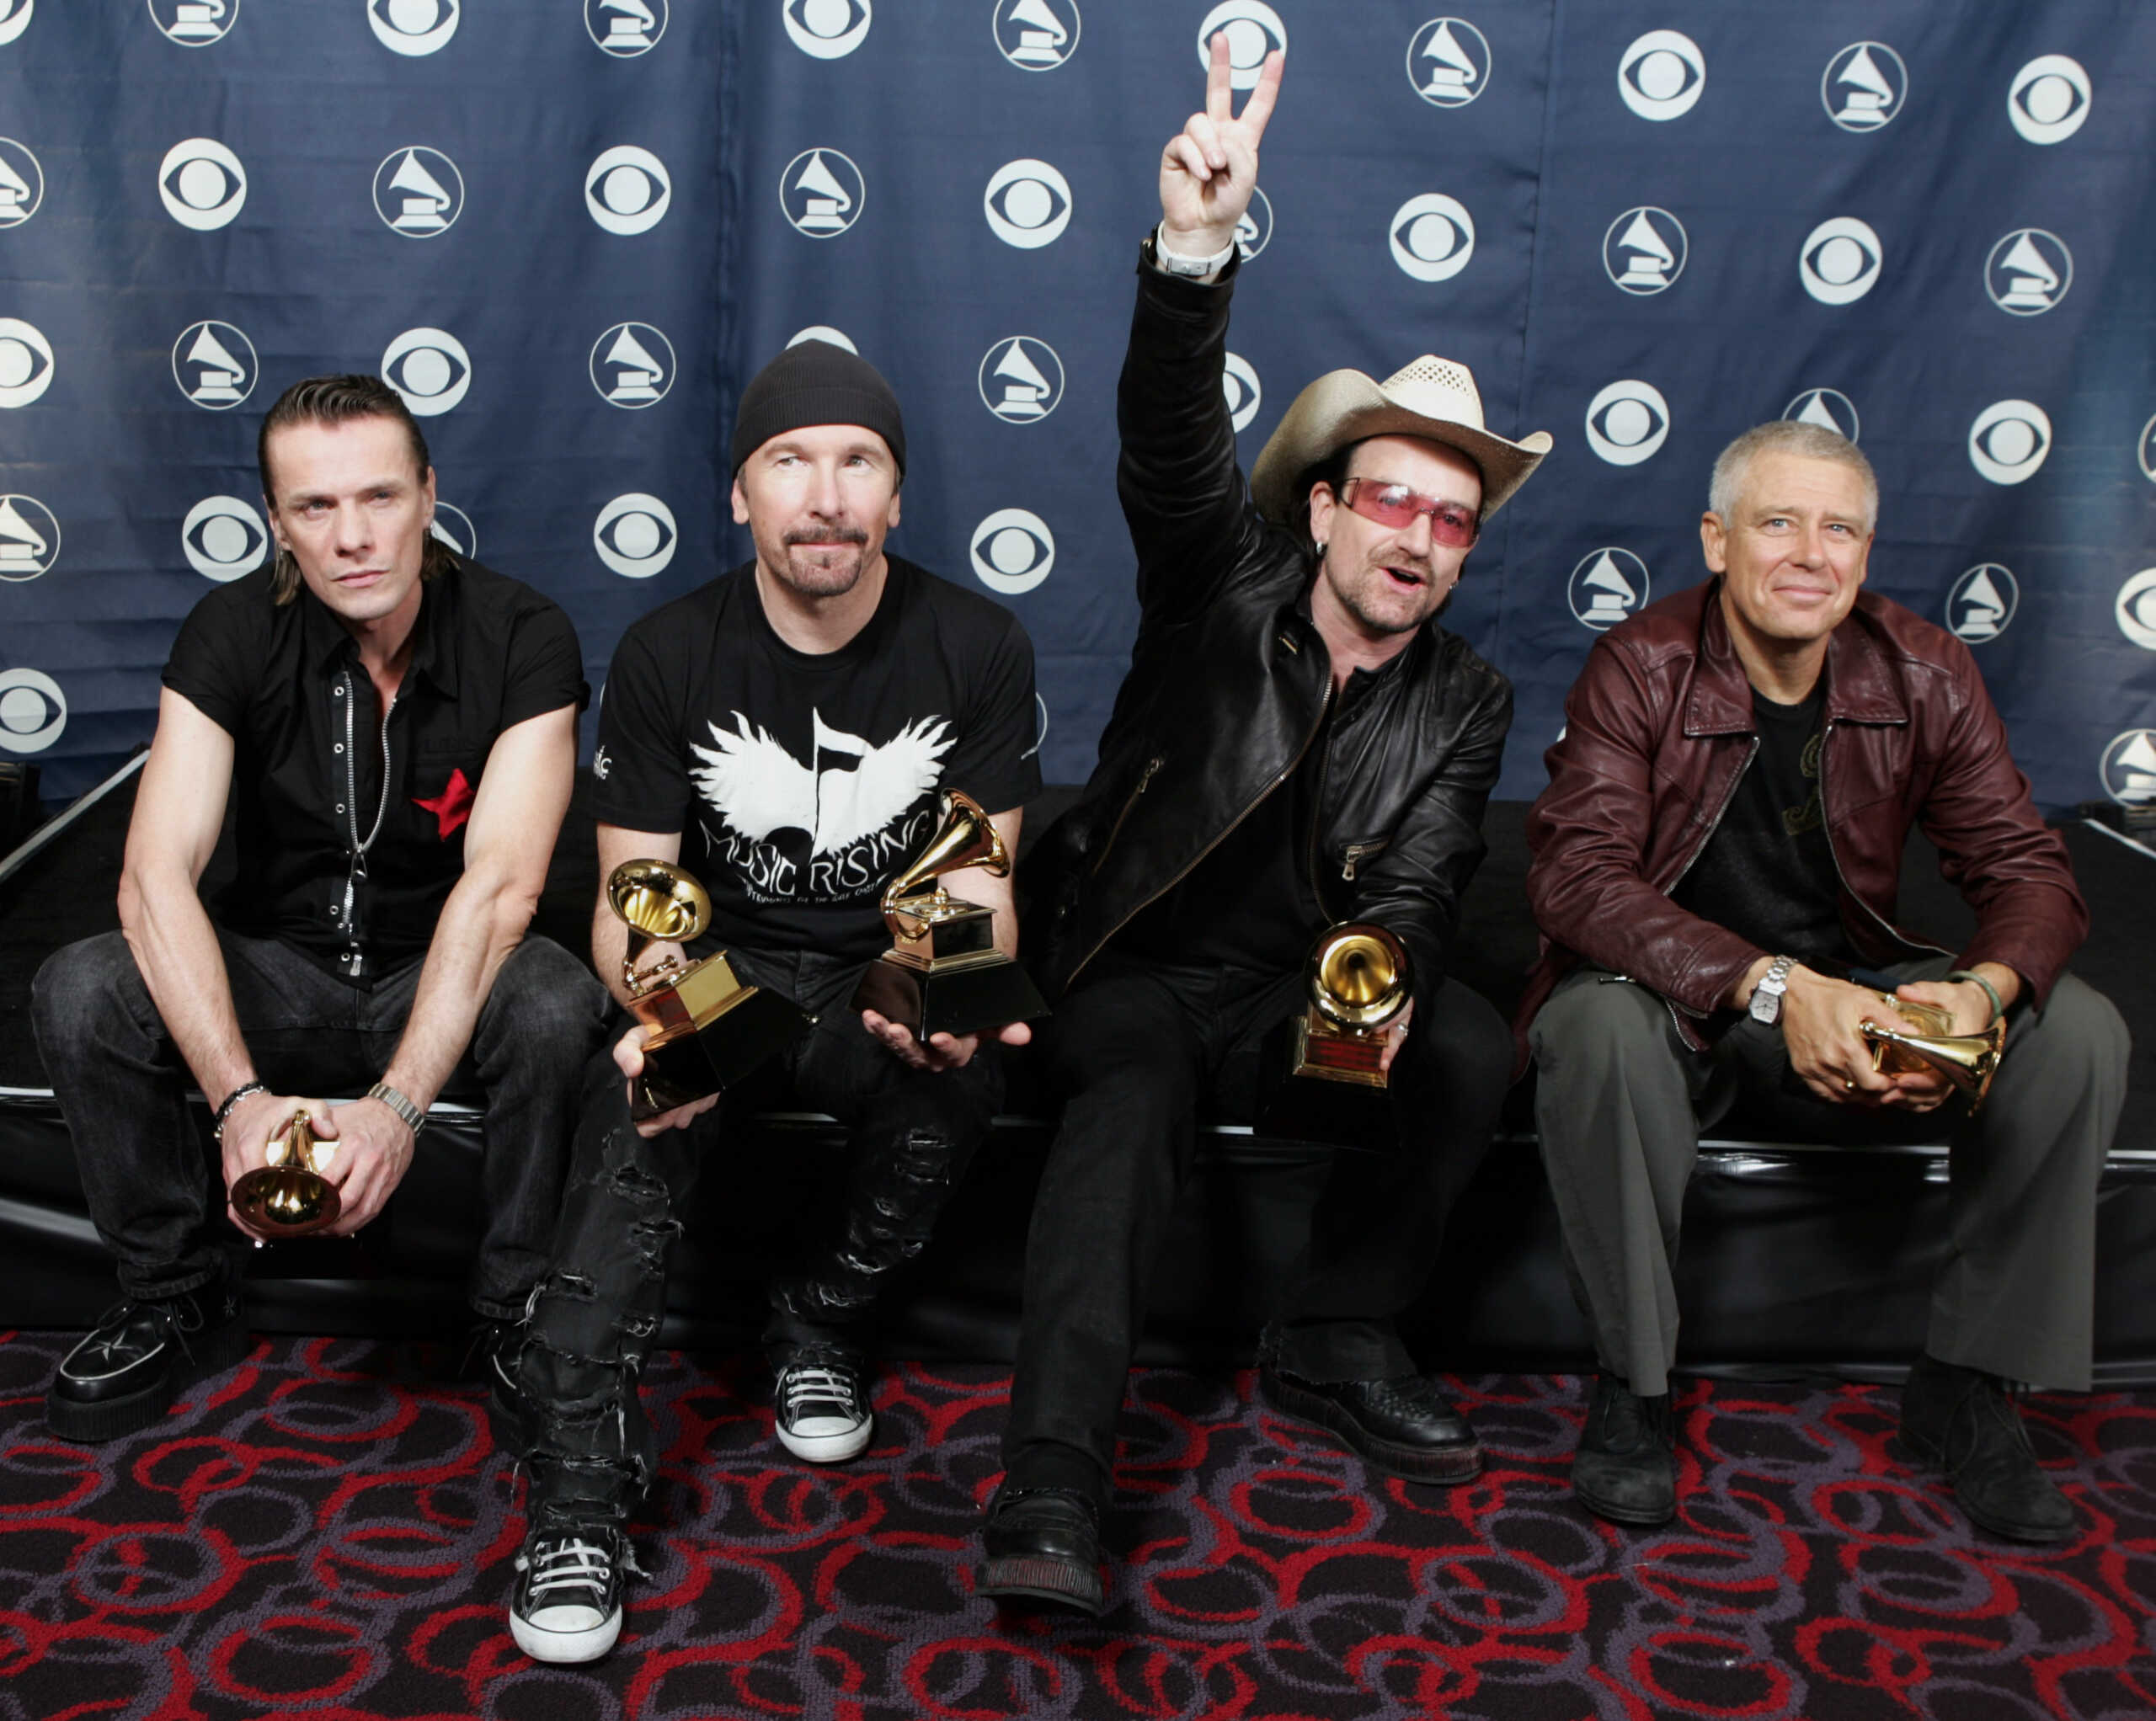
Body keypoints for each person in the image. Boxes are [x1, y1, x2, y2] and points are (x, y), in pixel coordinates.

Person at [975, 39, 1545, 1616]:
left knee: (1472, 1045)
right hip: (1139, 964)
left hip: (1306, 988)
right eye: (1390, 500)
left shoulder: (1469, 697)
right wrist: (1197, 251)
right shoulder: (1220, 577)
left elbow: (1432, 872)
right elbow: (1167, 435)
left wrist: (1379, 980)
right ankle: (1053, 1480)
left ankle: (1340, 1331)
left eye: (1451, 517)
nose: (1416, 538)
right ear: (1321, 505)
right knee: (1126, 1106)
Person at [504, 339, 1041, 1664]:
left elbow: (979, 882)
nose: (826, 495)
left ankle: (819, 1316)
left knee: (959, 1067)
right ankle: (576, 1498)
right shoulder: (671, 648)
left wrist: (945, 985)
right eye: (790, 462)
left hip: (875, 967)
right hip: (724, 963)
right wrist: (678, 1015)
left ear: (898, 496)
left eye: (859, 462)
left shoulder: (977, 641)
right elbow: (631, 897)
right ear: (739, 493)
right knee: (647, 1092)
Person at [1519, 418, 2130, 1539]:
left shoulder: (1926, 668)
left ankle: (1967, 1389)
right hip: (1687, 1007)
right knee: (1591, 1029)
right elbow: (1576, 880)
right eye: (1779, 521)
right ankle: (1636, 1392)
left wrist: (1981, 991)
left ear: (1866, 547)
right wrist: (1770, 985)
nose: (1812, 552)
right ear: (1717, 539)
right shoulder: (1642, 664)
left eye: (1839, 527)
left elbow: (2027, 871)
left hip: (1858, 995)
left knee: (2076, 1030)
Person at [33, 375, 608, 1444]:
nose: (353, 536)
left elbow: (500, 893)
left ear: (430, 497)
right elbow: (154, 877)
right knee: (84, 988)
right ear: (277, 524)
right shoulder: (229, 629)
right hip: (283, 972)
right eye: (315, 508)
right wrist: (241, 1104)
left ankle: (512, 1308)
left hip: (434, 973)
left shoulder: (523, 634)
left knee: (552, 1003)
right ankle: (172, 1297)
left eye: (379, 497)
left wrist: (394, 1113)